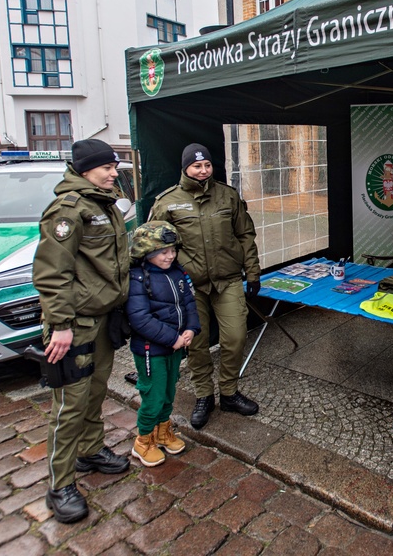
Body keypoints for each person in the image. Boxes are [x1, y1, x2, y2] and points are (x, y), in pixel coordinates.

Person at [33, 138, 131, 524]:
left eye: (114, 167)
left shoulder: (102, 204)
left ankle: (90, 450)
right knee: (69, 405)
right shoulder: (68, 210)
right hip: (74, 325)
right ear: (86, 168)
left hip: (102, 319)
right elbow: (50, 274)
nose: (113, 173)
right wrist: (59, 325)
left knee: (95, 392)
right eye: (107, 167)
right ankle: (60, 485)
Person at [150, 143, 261, 429]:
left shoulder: (227, 195)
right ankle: (203, 395)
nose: (203, 170)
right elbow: (153, 245)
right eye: (196, 166)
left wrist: (253, 271)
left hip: (227, 281)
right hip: (189, 286)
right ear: (185, 168)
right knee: (197, 344)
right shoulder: (167, 201)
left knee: (235, 337)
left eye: (207, 165)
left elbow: (245, 234)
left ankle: (229, 392)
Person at [126, 221, 200, 466]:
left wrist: (190, 328)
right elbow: (140, 318)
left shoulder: (178, 273)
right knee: (153, 395)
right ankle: (143, 441)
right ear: (146, 252)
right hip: (152, 350)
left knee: (169, 392)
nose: (170, 256)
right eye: (163, 252)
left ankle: (163, 432)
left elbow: (189, 303)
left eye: (172, 250)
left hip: (174, 347)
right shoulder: (137, 279)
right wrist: (173, 338)